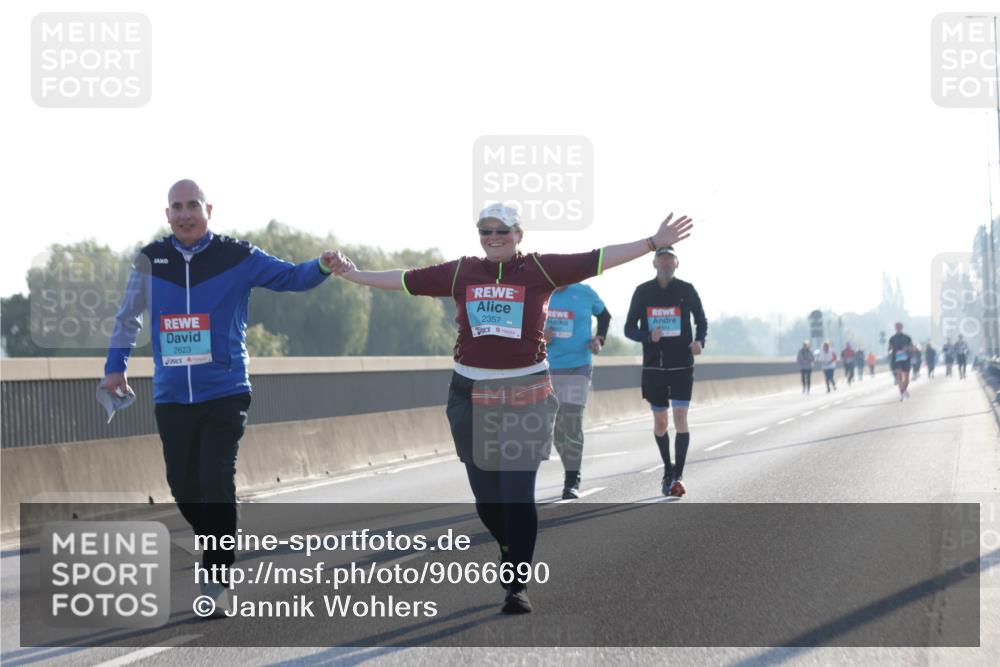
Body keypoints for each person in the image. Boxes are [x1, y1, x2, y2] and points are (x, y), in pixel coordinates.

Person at [325, 203, 694, 614]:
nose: (493, 237)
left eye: (501, 230)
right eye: (485, 230)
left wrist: (652, 243)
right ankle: (506, 547)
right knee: (487, 500)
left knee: (517, 495)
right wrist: (352, 273)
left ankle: (517, 584)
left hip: (526, 393)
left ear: (519, 233)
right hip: (470, 393)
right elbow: (404, 280)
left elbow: (599, 258)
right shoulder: (464, 271)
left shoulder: (540, 269)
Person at [102, 180, 335, 616]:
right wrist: (115, 365)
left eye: (193, 205)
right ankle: (218, 535)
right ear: (166, 214)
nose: (186, 213)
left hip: (225, 391)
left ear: (208, 210)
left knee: (214, 479)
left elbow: (289, 277)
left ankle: (217, 575)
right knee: (183, 488)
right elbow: (128, 316)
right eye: (177, 207)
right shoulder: (151, 261)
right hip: (172, 394)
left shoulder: (236, 256)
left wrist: (320, 266)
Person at [624, 246, 707, 499]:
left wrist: (700, 341)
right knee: (661, 422)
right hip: (654, 367)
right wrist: (648, 336)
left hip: (682, 364)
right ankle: (667, 468)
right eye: (662, 259)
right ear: (654, 264)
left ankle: (677, 477)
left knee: (680, 418)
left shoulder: (686, 289)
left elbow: (701, 320)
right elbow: (629, 328)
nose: (666, 263)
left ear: (676, 264)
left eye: (670, 259)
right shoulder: (643, 291)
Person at [543, 282, 611, 499]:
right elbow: (521, 324)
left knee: (571, 421)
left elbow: (605, 316)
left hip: (578, 365)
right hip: (546, 366)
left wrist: (599, 339)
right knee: (556, 430)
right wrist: (539, 335)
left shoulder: (585, 292)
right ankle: (570, 468)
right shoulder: (540, 291)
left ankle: (572, 479)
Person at [888, 322, 913, 400]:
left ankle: (904, 390)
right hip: (896, 359)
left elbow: (912, 347)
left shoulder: (907, 337)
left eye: (899, 327)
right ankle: (902, 393)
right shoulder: (892, 338)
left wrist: (907, 348)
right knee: (899, 376)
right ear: (895, 328)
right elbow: (889, 349)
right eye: (897, 327)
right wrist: (891, 351)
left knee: (907, 378)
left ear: (902, 327)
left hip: (906, 359)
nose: (898, 328)